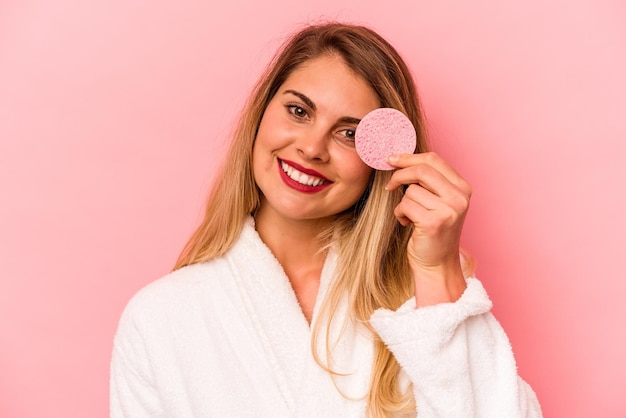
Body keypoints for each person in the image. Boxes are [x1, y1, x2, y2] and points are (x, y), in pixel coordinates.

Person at [110, 22, 542, 417]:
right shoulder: (160, 318)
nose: (313, 148)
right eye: (299, 111)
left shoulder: (420, 303)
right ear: (262, 112)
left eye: (349, 134)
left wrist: (439, 272)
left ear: (383, 159)